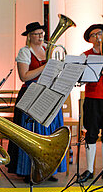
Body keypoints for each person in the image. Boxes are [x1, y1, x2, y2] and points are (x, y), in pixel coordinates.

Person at [8, 21, 66, 182]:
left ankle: (49, 169)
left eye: (42, 34)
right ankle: (29, 170)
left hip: (49, 94)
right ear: (29, 36)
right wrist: (46, 66)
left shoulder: (48, 49)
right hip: (32, 94)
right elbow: (24, 76)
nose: (41, 37)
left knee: (50, 131)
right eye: (37, 34)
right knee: (32, 133)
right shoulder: (25, 52)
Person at [78, 24, 103, 183]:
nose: (98, 37)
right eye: (94, 35)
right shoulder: (85, 56)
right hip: (93, 98)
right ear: (90, 40)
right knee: (91, 134)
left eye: (100, 33)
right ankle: (89, 170)